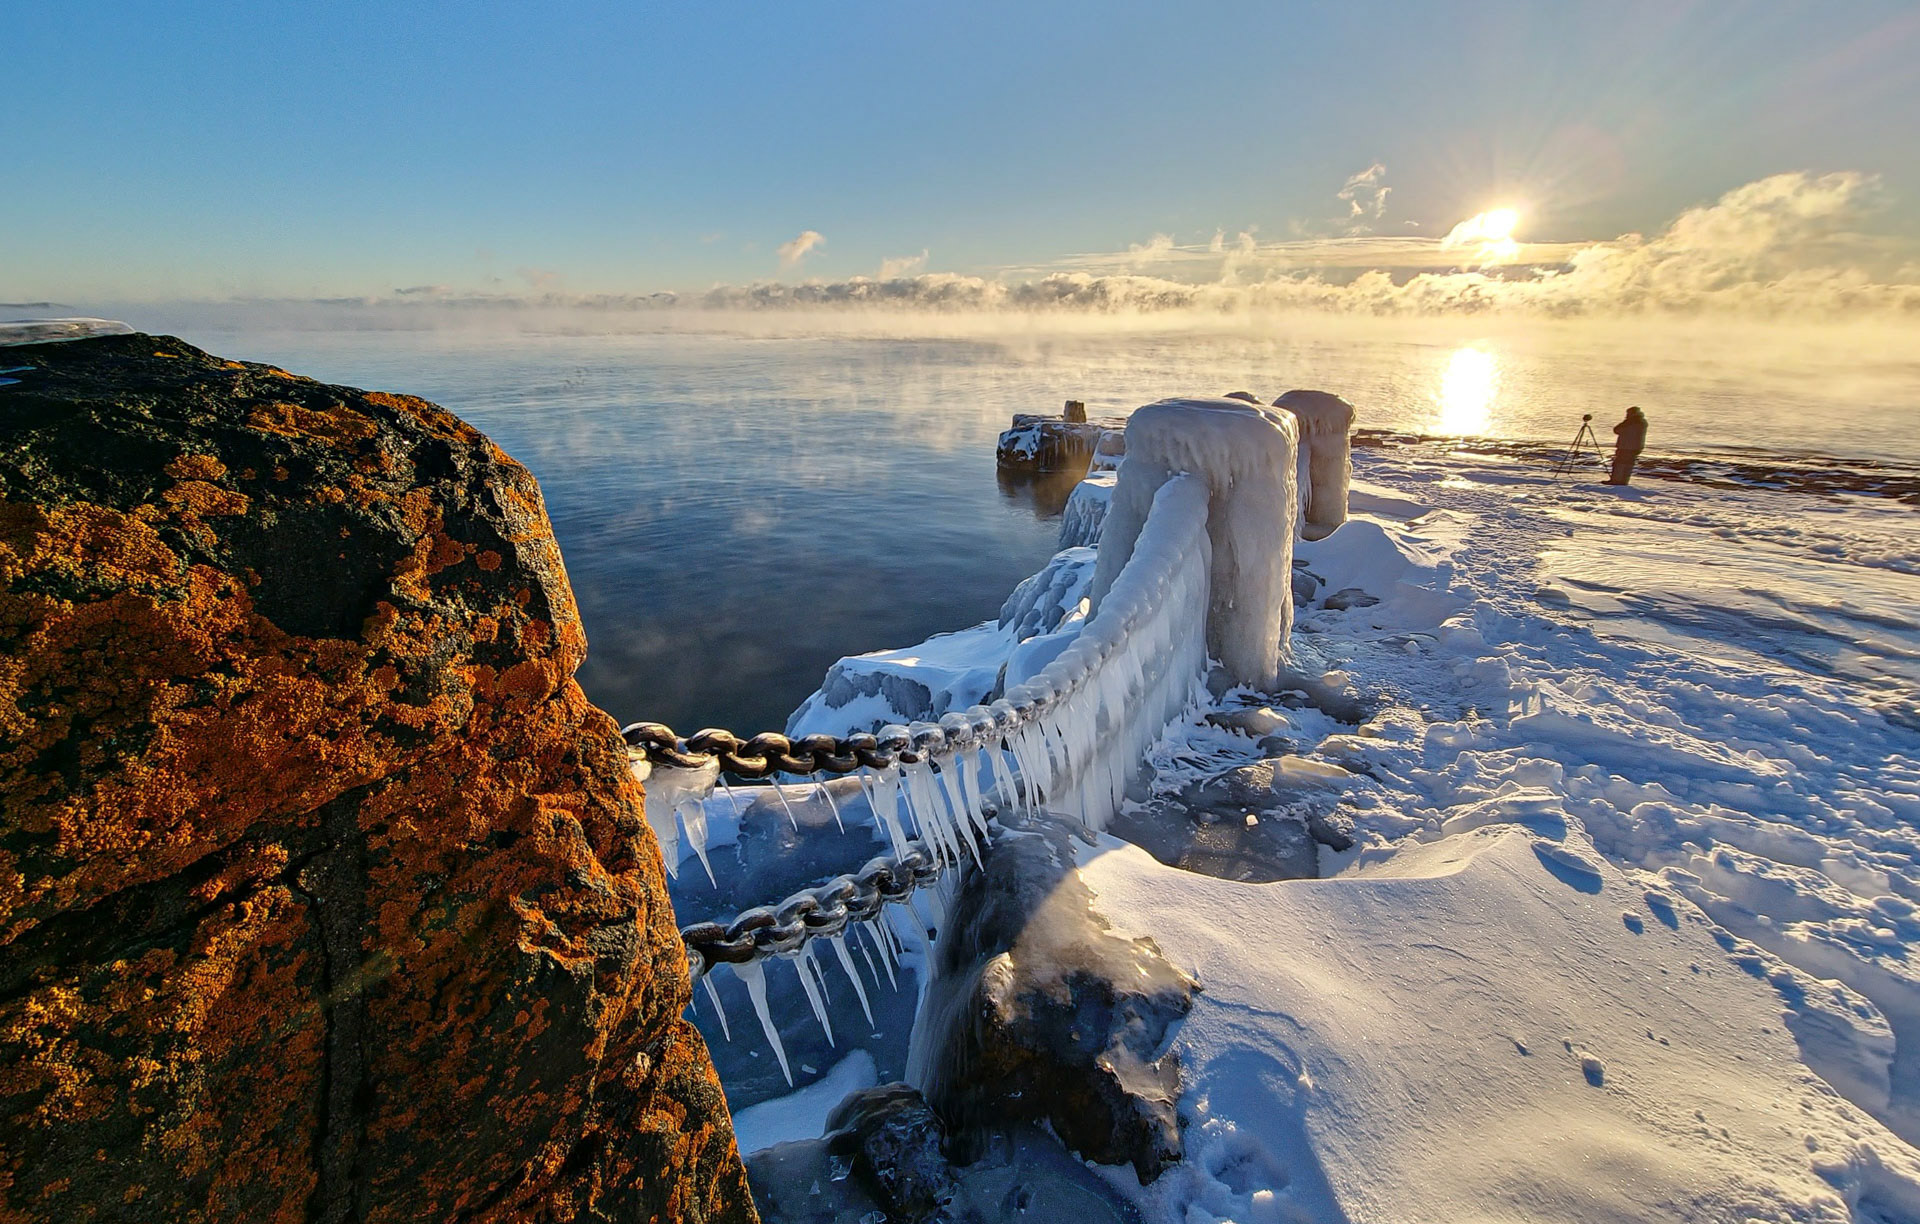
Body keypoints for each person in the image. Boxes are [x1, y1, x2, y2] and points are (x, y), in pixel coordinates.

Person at [1608, 406, 1647, 485]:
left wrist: (1625, 421)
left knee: (1620, 464)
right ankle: (1624, 481)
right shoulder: (1642, 422)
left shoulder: (1629, 422)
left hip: (1625, 446)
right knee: (1628, 464)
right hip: (1636, 447)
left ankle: (1616, 480)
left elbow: (1617, 430)